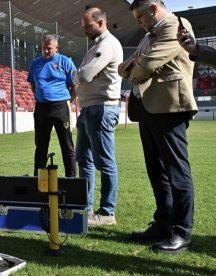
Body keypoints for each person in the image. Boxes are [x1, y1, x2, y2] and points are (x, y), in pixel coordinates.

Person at [118, 0, 197, 254]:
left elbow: (148, 64)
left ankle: (183, 232)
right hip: (149, 107)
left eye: (141, 17)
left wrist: (137, 67)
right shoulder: (148, 35)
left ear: (154, 8)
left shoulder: (175, 25)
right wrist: (137, 67)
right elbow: (125, 66)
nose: (139, 23)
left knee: (176, 171)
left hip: (170, 107)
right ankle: (163, 224)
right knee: (157, 172)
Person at [73, 8, 122, 226]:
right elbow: (82, 76)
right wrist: (78, 77)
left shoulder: (107, 45)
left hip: (101, 108)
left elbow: (83, 74)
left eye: (87, 26)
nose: (84, 30)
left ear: (101, 22)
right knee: (83, 159)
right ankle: (86, 207)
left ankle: (107, 212)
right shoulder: (96, 46)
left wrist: (76, 76)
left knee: (104, 162)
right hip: (89, 108)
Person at [27, 34, 76, 177]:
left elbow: (75, 86)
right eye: (43, 48)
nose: (46, 51)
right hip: (41, 108)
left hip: (61, 107)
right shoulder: (35, 64)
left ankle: (71, 179)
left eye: (49, 48)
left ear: (56, 48)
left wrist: (66, 101)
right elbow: (33, 85)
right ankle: (38, 180)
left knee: (67, 146)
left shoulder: (66, 62)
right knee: (40, 146)